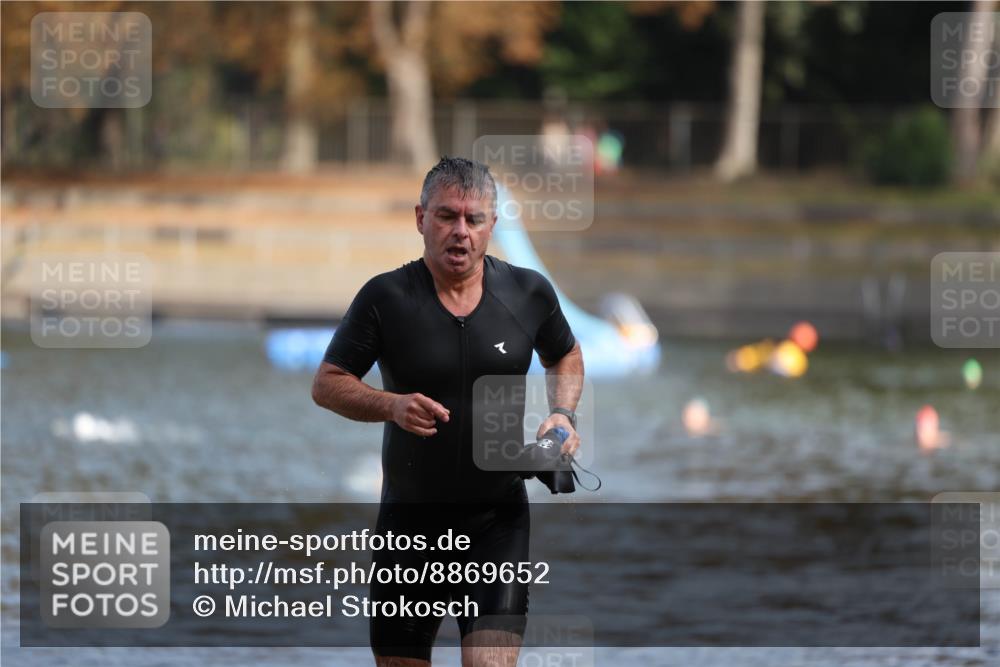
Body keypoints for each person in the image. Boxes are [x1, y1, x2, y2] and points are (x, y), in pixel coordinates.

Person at [311, 156, 584, 667]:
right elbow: (327, 384)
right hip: (409, 526)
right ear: (420, 218)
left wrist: (563, 414)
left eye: (474, 219)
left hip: (496, 524)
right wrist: (390, 405)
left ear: (491, 225)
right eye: (446, 216)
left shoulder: (527, 293)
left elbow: (564, 353)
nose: (460, 232)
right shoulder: (385, 298)